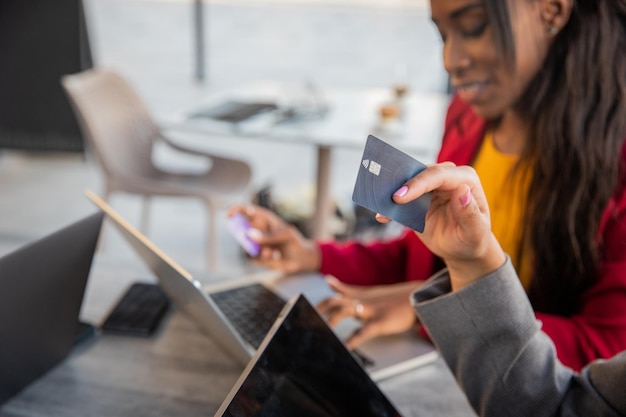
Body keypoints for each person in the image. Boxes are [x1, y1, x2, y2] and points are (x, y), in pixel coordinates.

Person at [228, 0, 626, 372]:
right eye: (443, 35)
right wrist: (312, 255)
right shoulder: (467, 121)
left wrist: (444, 312)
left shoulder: (615, 163)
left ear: (551, 10)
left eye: (473, 28)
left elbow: (608, 351)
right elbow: (422, 258)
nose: (451, 60)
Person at [401, 162, 626, 417]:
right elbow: (552, 408)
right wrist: (469, 265)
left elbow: (602, 342)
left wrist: (434, 315)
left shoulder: (608, 174)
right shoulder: (465, 129)